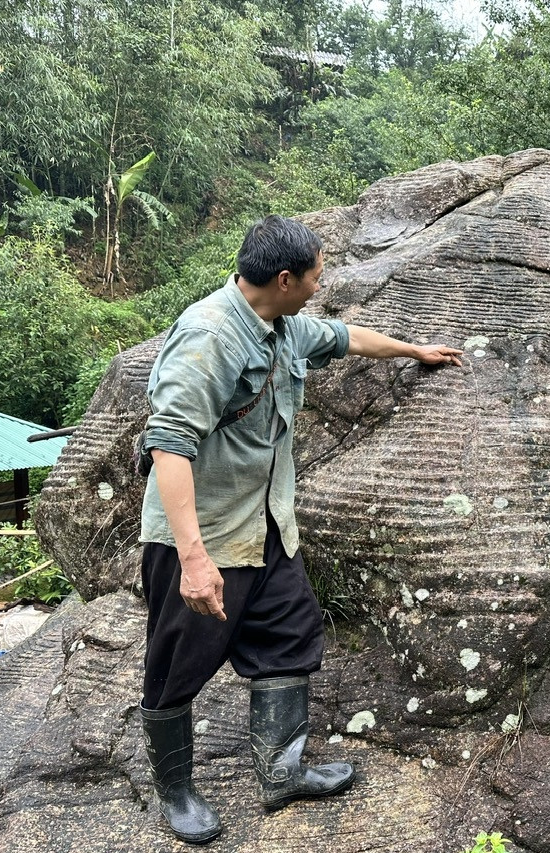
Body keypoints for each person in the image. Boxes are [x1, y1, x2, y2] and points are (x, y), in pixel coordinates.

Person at [137, 214, 462, 844]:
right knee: (179, 663)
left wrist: (413, 350)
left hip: (266, 528)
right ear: (284, 278)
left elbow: (342, 337)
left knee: (288, 636)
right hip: (204, 536)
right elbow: (169, 448)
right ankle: (175, 791)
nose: (320, 283)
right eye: (315, 274)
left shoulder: (279, 324)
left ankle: (281, 772)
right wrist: (194, 561)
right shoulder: (209, 337)